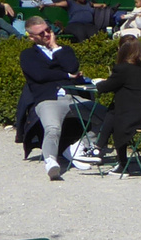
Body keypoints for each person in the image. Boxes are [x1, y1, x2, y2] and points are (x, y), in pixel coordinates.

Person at [14, 17, 93, 180]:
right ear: (31, 37)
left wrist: (55, 47)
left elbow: (72, 66)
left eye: (48, 30)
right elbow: (39, 75)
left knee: (106, 117)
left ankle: (77, 148)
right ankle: (50, 160)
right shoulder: (28, 55)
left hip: (72, 96)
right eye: (41, 33)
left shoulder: (65, 50)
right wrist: (66, 76)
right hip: (48, 99)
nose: (46, 35)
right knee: (53, 128)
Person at [86, 36, 141, 173]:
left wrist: (97, 82)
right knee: (115, 108)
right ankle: (99, 148)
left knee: (116, 113)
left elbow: (105, 87)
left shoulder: (123, 68)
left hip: (136, 120)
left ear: (121, 51)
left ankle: (114, 158)